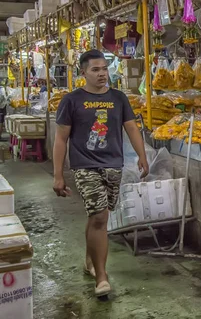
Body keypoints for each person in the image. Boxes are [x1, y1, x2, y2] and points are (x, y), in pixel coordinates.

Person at [53, 49, 149, 297]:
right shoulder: (71, 101)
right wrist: (58, 175)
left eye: (104, 69)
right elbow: (61, 139)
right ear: (83, 72)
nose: (101, 74)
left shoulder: (119, 98)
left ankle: (89, 259)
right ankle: (102, 277)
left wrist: (142, 156)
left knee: (98, 215)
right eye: (95, 70)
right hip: (84, 165)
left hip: (113, 165)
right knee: (100, 217)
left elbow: (131, 128)